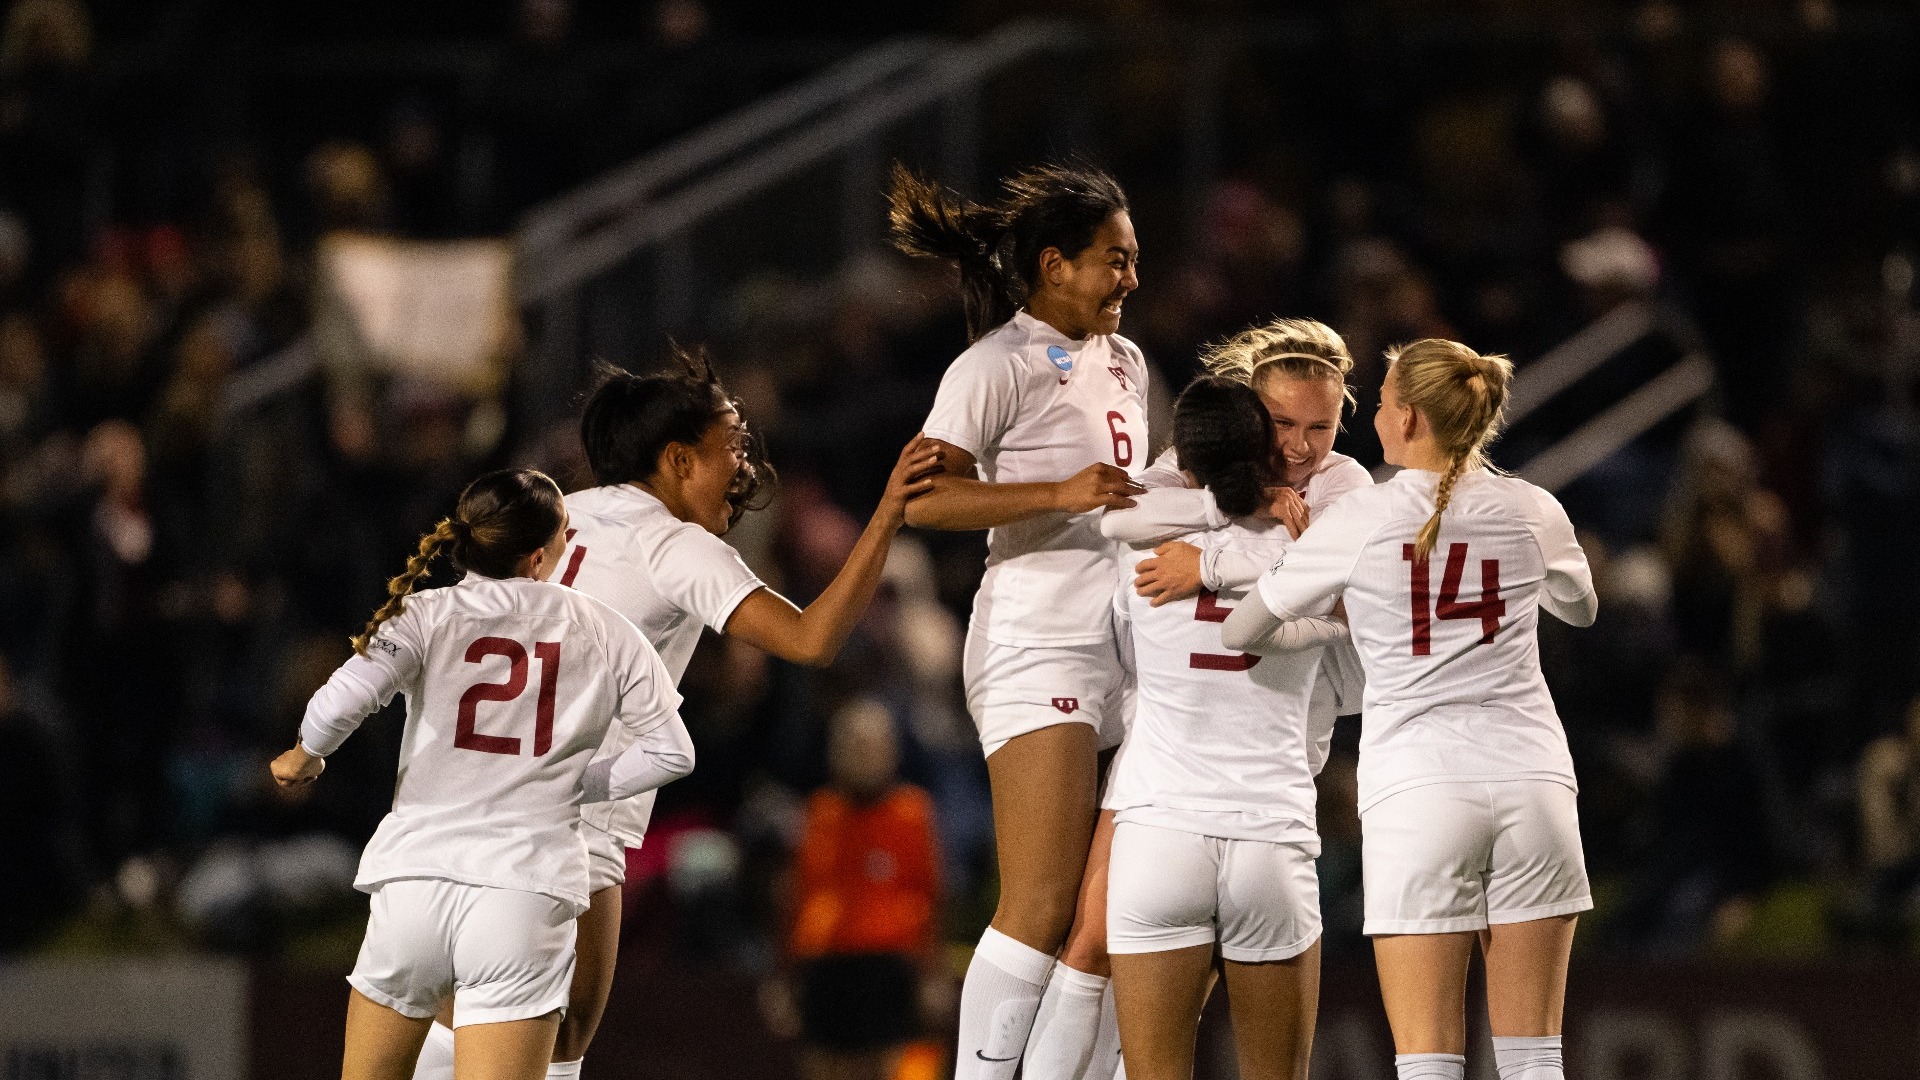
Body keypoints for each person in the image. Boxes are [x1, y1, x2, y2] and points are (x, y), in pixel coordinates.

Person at [409, 351, 941, 1080]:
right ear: (679, 458)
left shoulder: (563, 509)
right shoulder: (675, 546)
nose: (747, 464)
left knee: (494, 1026)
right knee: (547, 1041)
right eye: (734, 445)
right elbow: (813, 639)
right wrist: (886, 514)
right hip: (562, 821)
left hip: (468, 797)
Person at [1221, 339, 1598, 1080]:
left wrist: (1341, 608)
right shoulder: (1533, 508)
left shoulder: (1359, 518)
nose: (1378, 414)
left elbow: (1244, 629)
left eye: (1387, 399)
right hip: (1535, 782)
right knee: (1534, 1060)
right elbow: (1580, 608)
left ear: (1413, 418)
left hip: (1419, 791)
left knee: (1428, 1060)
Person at [1009, 317, 1373, 1080]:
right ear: (1245, 412)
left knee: (1102, 960)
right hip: (1258, 812)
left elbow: (1123, 522)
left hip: (1173, 809)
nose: (1302, 448)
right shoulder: (1205, 487)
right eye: (1281, 424)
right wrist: (1245, 542)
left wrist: (1205, 558)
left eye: (1321, 426)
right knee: (1085, 942)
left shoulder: (1334, 486)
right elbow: (1316, 599)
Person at [268, 468, 695, 1080]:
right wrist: (583, 786)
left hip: (414, 883)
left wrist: (306, 753)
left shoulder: (424, 612)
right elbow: (672, 752)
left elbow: (335, 706)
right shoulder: (605, 629)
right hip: (522, 895)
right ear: (542, 553)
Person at [887, 160, 1147, 1080]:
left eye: (1134, 260)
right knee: (1039, 900)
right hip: (1039, 642)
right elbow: (924, 499)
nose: (1131, 278)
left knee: (1121, 904)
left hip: (1124, 649)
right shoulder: (994, 362)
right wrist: (1057, 492)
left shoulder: (1127, 360)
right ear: (1054, 264)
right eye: (1113, 260)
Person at [1105, 376, 1360, 1080]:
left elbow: (1118, 519)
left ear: (1180, 461)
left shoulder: (1141, 536)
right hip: (1268, 833)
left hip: (1161, 832)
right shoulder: (1309, 543)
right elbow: (1348, 628)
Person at [780, 697, 943, 1080]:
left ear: (892, 751)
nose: (861, 755)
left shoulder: (913, 813)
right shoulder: (819, 813)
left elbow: (932, 896)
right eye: (851, 744)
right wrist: (786, 979)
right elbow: (795, 896)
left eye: (871, 745)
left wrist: (931, 977)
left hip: (891, 964)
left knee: (897, 1065)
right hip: (825, 963)